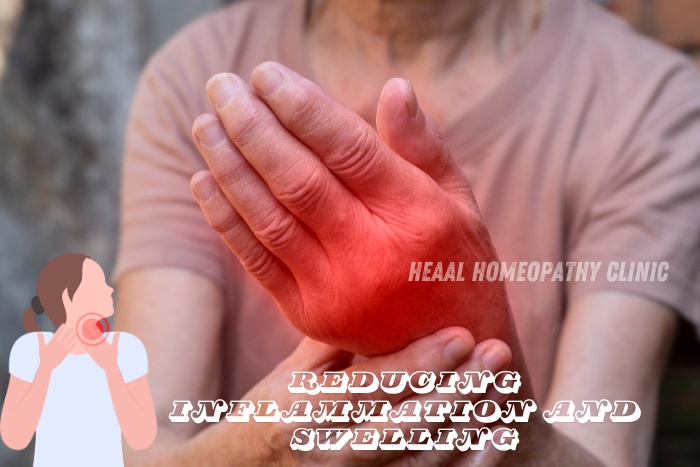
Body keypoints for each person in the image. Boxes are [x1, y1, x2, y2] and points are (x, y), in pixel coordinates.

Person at [112, 0, 700, 465]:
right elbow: (142, 446)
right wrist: (256, 451)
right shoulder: (197, 74)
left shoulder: (648, 104)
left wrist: (512, 435)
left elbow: (602, 446)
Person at [0, 254, 157, 467]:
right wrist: (46, 368)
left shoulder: (126, 348)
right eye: (98, 284)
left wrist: (111, 369)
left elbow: (141, 437)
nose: (109, 289)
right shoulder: (31, 350)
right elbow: (15, 437)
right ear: (68, 297)